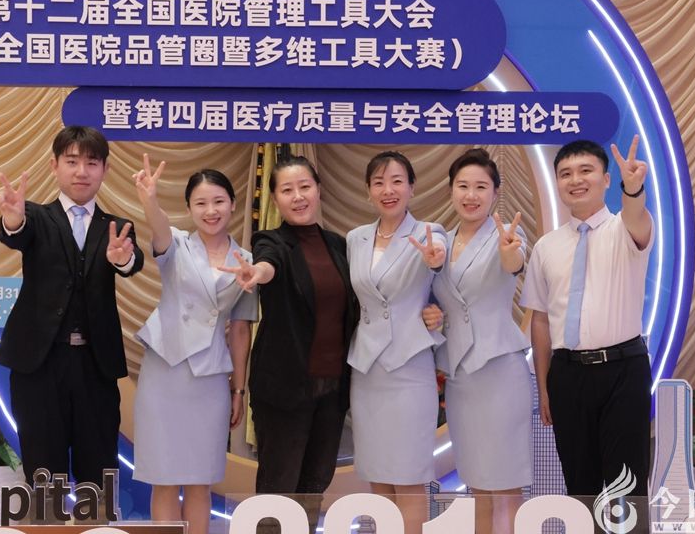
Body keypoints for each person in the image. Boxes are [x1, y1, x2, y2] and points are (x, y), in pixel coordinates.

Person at [0, 125, 144, 488]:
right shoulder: (34, 217)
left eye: (92, 163)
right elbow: (16, 233)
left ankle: (95, 519)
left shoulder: (117, 227)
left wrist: (122, 259)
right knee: (43, 468)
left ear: (105, 169)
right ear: (54, 166)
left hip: (95, 365)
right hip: (40, 365)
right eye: (72, 161)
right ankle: (48, 519)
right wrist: (13, 218)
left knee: (99, 466)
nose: (81, 172)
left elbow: (132, 262)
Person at [221, 155, 357, 531]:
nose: (298, 197)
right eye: (287, 190)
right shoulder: (271, 240)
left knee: (315, 484)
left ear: (318, 190)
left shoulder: (338, 245)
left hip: (332, 391)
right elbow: (270, 262)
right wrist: (258, 271)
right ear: (275, 199)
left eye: (304, 187)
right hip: (284, 390)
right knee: (278, 490)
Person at [520, 136, 653, 497]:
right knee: (580, 486)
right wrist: (545, 386)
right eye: (566, 173)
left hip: (623, 370)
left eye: (586, 171)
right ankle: (585, 522)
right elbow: (541, 320)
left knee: (628, 485)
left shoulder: (626, 228)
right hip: (568, 374)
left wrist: (633, 188)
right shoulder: (546, 247)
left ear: (606, 180)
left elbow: (637, 214)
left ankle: (629, 524)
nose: (575, 180)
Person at [130, 156, 257, 534]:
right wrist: (150, 201)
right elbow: (158, 228)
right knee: (165, 478)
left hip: (211, 376)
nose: (210, 210)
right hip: (165, 372)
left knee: (201, 480)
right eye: (200, 203)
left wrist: (238, 390)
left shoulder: (247, 261)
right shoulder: (176, 244)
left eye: (218, 201)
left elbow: (240, 330)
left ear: (232, 204)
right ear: (188, 208)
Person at [346, 151, 447, 534]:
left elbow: (438, 261)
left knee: (409, 476)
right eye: (379, 182)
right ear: (368, 190)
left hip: (409, 366)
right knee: (377, 476)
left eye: (397, 181)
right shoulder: (356, 238)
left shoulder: (429, 233)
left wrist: (435, 260)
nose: (388, 190)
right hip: (367, 369)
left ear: (412, 188)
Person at [431, 148, 531, 534]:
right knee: (476, 483)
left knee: (504, 484)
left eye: (480, 187)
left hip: (499, 371)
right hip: (459, 377)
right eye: (463, 186)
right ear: (451, 190)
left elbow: (514, 263)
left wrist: (510, 253)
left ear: (495, 193)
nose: (471, 195)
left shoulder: (508, 235)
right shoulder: (440, 242)